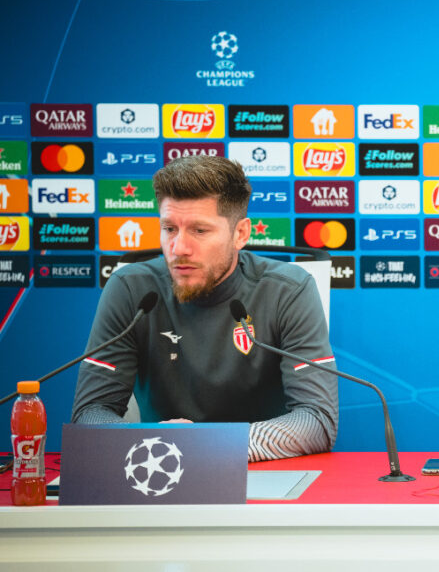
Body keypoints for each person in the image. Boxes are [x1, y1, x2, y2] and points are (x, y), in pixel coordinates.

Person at [72, 155, 339, 462]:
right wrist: (161, 445)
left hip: (265, 476)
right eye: (170, 228)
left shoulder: (288, 290)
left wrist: (209, 444)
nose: (179, 248)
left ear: (240, 234)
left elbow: (317, 420)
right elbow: (90, 414)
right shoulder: (131, 289)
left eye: (199, 230)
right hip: (160, 470)